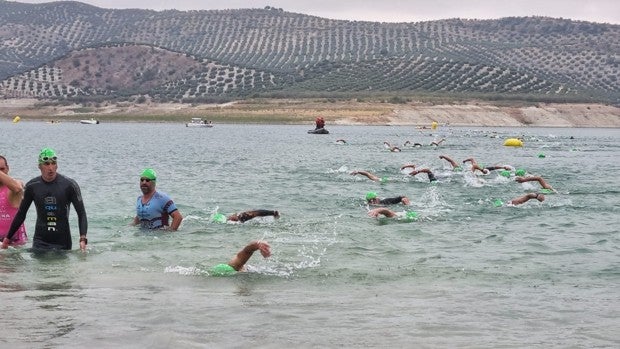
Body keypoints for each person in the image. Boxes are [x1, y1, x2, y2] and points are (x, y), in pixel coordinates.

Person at [1, 148, 87, 252]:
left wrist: (83, 238)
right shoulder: (32, 186)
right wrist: (7, 239)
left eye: (53, 163)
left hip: (62, 242)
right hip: (39, 242)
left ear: (57, 165)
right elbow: (21, 214)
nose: (50, 168)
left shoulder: (69, 185)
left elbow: (81, 213)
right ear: (39, 166)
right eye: (46, 164)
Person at [0, 155, 27, 246]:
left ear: (7, 168)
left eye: (2, 169)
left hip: (15, 242)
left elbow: (17, 188)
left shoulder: (15, 185)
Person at [212, 209, 280, 223]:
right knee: (254, 213)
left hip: (240, 218)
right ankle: (273, 213)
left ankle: (273, 213)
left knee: (254, 213)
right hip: (240, 218)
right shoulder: (240, 217)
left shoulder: (240, 217)